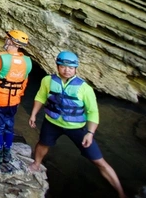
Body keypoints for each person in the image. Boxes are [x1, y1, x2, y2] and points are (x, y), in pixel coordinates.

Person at [28, 51, 126, 198]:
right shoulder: (48, 80)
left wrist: (90, 133)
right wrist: (34, 114)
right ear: (57, 66)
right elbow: (41, 97)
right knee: (43, 143)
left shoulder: (84, 88)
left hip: (76, 127)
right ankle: (36, 164)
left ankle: (121, 193)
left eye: (71, 67)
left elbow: (93, 112)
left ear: (75, 69)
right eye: (63, 66)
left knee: (98, 160)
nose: (67, 70)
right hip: (52, 122)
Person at [0, 29, 32, 163]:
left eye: (7, 38)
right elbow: (24, 82)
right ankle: (7, 152)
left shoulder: (1, 58)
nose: (5, 40)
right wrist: (19, 95)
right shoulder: (27, 61)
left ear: (11, 41)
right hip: (14, 100)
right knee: (9, 125)